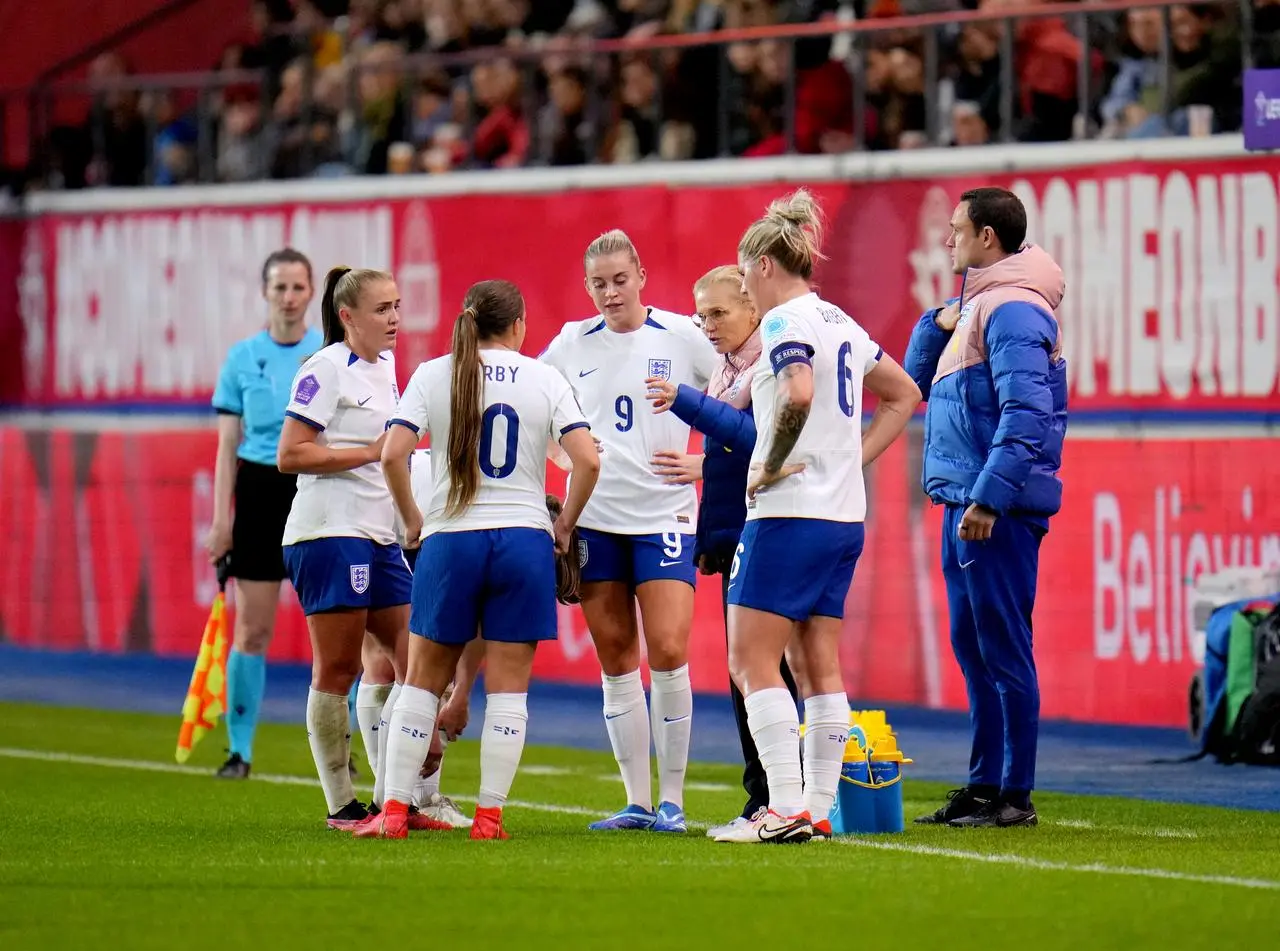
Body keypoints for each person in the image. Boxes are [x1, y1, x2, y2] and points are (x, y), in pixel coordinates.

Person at [360, 278, 600, 840]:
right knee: (510, 688)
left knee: (420, 682)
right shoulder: (545, 377)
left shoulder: (433, 372)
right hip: (523, 539)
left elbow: (393, 453)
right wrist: (563, 523)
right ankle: (489, 819)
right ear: (518, 326)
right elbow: (587, 461)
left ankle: (394, 814)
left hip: (452, 538)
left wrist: (414, 519)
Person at [716, 189, 921, 844]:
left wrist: (772, 457)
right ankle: (819, 807)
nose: (745, 284)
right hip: (841, 517)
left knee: (752, 662)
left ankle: (781, 807)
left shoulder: (783, 322)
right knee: (818, 664)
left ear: (766, 266)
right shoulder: (841, 321)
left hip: (787, 513)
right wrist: (850, 457)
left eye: (745, 271)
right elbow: (904, 394)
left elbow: (798, 391)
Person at [539, 230, 718, 833]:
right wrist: (570, 463)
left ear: (640, 273)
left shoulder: (683, 336)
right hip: (595, 519)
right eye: (598, 284)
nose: (610, 293)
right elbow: (538, 410)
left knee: (668, 649)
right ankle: (637, 801)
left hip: (666, 513)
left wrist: (708, 464)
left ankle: (674, 800)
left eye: (620, 279)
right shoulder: (569, 343)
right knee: (616, 657)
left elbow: (741, 401)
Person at [904, 186, 1067, 829]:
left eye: (956, 230)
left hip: (988, 508)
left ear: (987, 239)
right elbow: (914, 384)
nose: (948, 240)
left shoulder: (1016, 312)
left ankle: (1014, 796)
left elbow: (1027, 416)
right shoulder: (978, 308)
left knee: (1003, 647)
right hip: (962, 500)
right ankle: (982, 785)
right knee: (973, 646)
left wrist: (989, 499)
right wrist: (931, 322)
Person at [643, 265, 801, 839]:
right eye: (701, 315)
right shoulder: (731, 366)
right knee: (758, 670)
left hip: (776, 527)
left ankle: (778, 795)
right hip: (740, 530)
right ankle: (773, 793)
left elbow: (758, 438)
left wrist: (685, 403)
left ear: (752, 308)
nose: (708, 326)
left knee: (767, 668)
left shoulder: (769, 362)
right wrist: (712, 536)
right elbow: (735, 455)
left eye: (719, 313)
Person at [277, 265, 413, 830]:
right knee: (337, 668)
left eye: (398, 306)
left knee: (419, 660)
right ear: (347, 316)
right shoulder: (325, 369)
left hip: (380, 533)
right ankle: (341, 803)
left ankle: (396, 793)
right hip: (330, 532)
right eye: (382, 310)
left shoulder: (387, 368)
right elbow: (291, 453)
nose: (395, 319)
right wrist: (370, 453)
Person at [207, 248, 324, 780]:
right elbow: (226, 445)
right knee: (252, 630)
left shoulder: (328, 352)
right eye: (279, 287)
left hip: (315, 487)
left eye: (298, 287)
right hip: (257, 491)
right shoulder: (241, 358)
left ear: (312, 292)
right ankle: (240, 750)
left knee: (337, 626)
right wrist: (220, 519)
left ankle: (344, 748)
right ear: (265, 293)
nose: (289, 297)